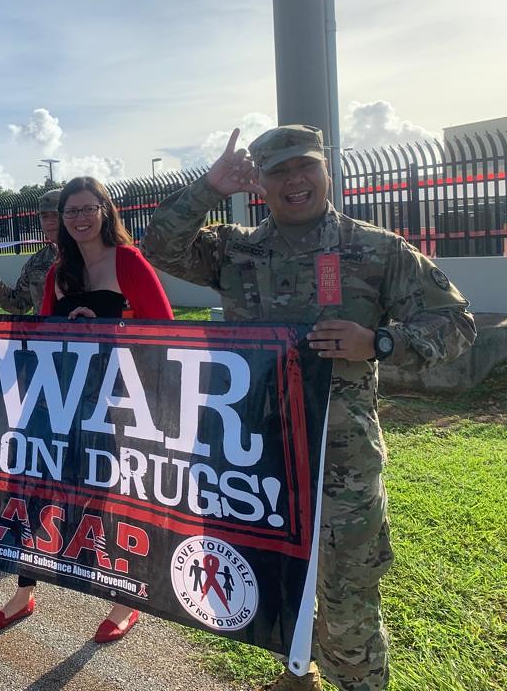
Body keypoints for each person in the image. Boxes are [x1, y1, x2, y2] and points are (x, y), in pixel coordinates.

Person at [140, 125, 476, 691]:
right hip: (259, 456)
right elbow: (158, 247)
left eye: (306, 167)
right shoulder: (235, 249)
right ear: (262, 185)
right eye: (279, 172)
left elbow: (456, 320)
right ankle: (298, 677)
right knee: (278, 576)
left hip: (339, 456)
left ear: (326, 171)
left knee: (346, 595)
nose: (295, 181)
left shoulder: (374, 248)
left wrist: (381, 343)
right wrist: (208, 188)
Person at [0, 175, 174, 643]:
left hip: (114, 397)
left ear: (106, 211)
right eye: (72, 211)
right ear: (61, 220)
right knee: (32, 488)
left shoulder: (127, 260)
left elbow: (166, 330)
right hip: (58, 397)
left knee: (110, 494)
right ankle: (24, 593)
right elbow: (45, 330)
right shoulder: (57, 271)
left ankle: (126, 601)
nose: (81, 218)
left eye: (89, 208)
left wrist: (113, 321)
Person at [0, 189, 60, 314]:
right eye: (44, 216)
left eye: (55, 215)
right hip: (45, 332)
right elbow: (19, 304)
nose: (49, 221)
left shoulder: (90, 255)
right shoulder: (37, 261)